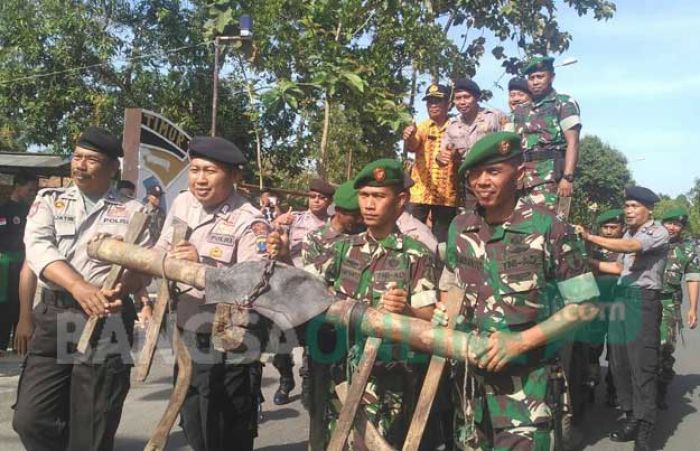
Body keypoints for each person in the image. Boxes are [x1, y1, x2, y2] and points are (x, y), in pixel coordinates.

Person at [436, 131, 599, 450]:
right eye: (475, 174)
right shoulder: (460, 227)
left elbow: (587, 305)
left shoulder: (550, 229)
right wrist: (446, 311)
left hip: (528, 390)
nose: (482, 181)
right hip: (471, 391)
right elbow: (453, 283)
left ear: (520, 174)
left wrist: (521, 341)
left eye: (494, 171)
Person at [280, 159, 438, 447]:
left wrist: (407, 310)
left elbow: (429, 315)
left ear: (400, 200)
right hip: (338, 374)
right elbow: (306, 290)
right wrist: (280, 258)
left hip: (386, 382)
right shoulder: (342, 248)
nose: (369, 204)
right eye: (364, 196)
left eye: (378, 196)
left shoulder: (415, 255)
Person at [13, 127, 152, 450]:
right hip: (55, 314)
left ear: (112, 167)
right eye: (77, 157)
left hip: (107, 321)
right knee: (31, 419)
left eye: (91, 160)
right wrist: (79, 287)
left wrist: (119, 287)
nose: (80, 165)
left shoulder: (134, 212)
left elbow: (141, 272)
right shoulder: (49, 201)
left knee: (93, 424)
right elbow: (38, 249)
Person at [154, 136, 271, 451]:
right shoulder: (181, 203)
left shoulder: (251, 221)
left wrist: (201, 266)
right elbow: (161, 248)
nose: (200, 179)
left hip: (229, 335)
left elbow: (254, 282)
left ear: (234, 176)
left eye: (210, 171)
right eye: (194, 170)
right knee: (192, 413)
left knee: (225, 419)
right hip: (187, 328)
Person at [577, 186, 669, 451]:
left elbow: (630, 247)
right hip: (621, 299)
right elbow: (619, 267)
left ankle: (646, 429)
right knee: (619, 364)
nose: (628, 211)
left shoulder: (656, 232)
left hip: (642, 302)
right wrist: (588, 263)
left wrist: (591, 237)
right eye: (627, 206)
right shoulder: (630, 232)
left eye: (634, 206)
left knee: (643, 367)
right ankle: (631, 416)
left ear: (649, 209)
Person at [270, 178, 335, 405]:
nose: (316, 201)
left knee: (311, 341)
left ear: (329, 201)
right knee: (280, 340)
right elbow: (270, 242)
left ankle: (308, 383)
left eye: (322, 197)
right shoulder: (294, 219)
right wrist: (277, 224)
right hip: (287, 289)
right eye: (312, 196)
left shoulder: (333, 225)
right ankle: (285, 380)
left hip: (314, 292)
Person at [508, 56, 581, 208]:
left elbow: (573, 142)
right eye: (531, 78)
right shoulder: (520, 111)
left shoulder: (563, 103)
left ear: (551, 77)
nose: (535, 82)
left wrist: (568, 178)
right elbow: (508, 144)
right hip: (521, 180)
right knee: (521, 228)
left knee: (551, 226)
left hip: (550, 179)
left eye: (540, 77)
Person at [438, 78, 505, 210]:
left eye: (466, 97)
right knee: (471, 221)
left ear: (476, 98)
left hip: (494, 180)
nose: (462, 102)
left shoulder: (494, 118)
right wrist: (441, 157)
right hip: (469, 184)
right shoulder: (452, 125)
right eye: (458, 98)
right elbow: (443, 155)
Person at [656, 207, 699, 409]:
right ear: (662, 222)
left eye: (678, 224)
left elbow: (692, 278)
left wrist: (692, 309)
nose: (673, 227)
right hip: (642, 301)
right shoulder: (649, 241)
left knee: (665, 348)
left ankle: (660, 391)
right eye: (669, 223)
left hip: (669, 304)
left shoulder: (688, 249)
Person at [403, 83, 455, 242]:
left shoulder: (457, 127)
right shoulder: (422, 127)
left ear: (449, 104)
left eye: (437, 101)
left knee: (442, 241)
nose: (433, 105)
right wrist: (409, 136)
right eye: (429, 101)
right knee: (412, 236)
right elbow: (413, 145)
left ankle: (438, 267)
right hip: (420, 193)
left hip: (447, 196)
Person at [585, 208, 625, 406]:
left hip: (619, 304)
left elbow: (621, 270)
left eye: (613, 227)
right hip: (597, 303)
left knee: (617, 348)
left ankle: (614, 388)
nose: (609, 231)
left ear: (621, 227)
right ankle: (590, 383)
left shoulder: (627, 248)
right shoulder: (591, 248)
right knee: (593, 347)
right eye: (605, 227)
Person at [0, 173, 38, 355]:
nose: (31, 193)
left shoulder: (30, 211)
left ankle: (19, 343)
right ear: (18, 186)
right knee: (4, 303)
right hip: (5, 263)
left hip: (25, 262)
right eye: (29, 189)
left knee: (21, 301)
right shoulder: (4, 209)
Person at [135, 184, 167, 326]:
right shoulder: (142, 211)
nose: (158, 199)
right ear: (149, 196)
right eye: (155, 196)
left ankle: (161, 307)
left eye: (159, 196)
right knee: (142, 280)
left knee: (161, 280)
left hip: (157, 251)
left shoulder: (161, 213)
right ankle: (142, 305)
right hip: (145, 250)